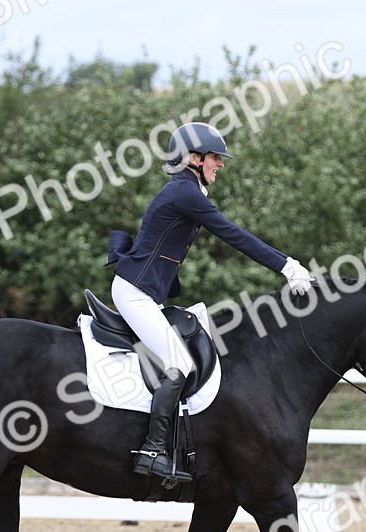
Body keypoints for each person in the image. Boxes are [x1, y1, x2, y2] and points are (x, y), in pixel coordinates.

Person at [109, 121, 313, 483]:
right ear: (194, 157)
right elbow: (234, 235)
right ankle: (153, 450)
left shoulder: (187, 190)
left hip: (144, 291)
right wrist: (287, 266)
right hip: (134, 293)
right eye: (215, 157)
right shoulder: (185, 193)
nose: (220, 164)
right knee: (179, 363)